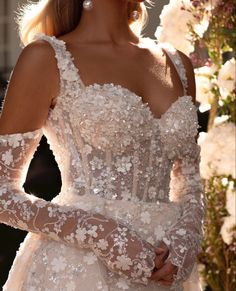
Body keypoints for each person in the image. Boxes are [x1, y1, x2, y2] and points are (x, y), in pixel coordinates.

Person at [0, 0, 205, 290]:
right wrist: (99, 234)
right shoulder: (46, 58)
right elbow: (1, 192)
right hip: (78, 269)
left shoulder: (178, 63)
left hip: (164, 268)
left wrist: (189, 232)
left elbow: (189, 183)